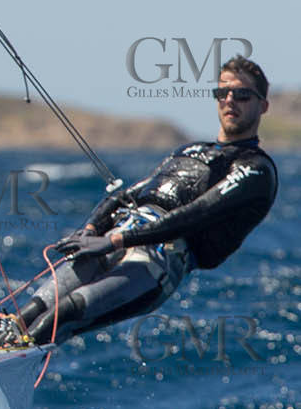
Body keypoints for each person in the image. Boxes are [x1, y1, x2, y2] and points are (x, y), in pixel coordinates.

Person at [17, 57, 278, 346]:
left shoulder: (256, 169)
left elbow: (196, 213)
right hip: (117, 237)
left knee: (62, 315)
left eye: (242, 95)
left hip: (158, 261)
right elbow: (129, 195)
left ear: (262, 106)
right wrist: (92, 228)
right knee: (29, 312)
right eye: (222, 93)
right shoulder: (189, 149)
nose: (230, 101)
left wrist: (116, 240)